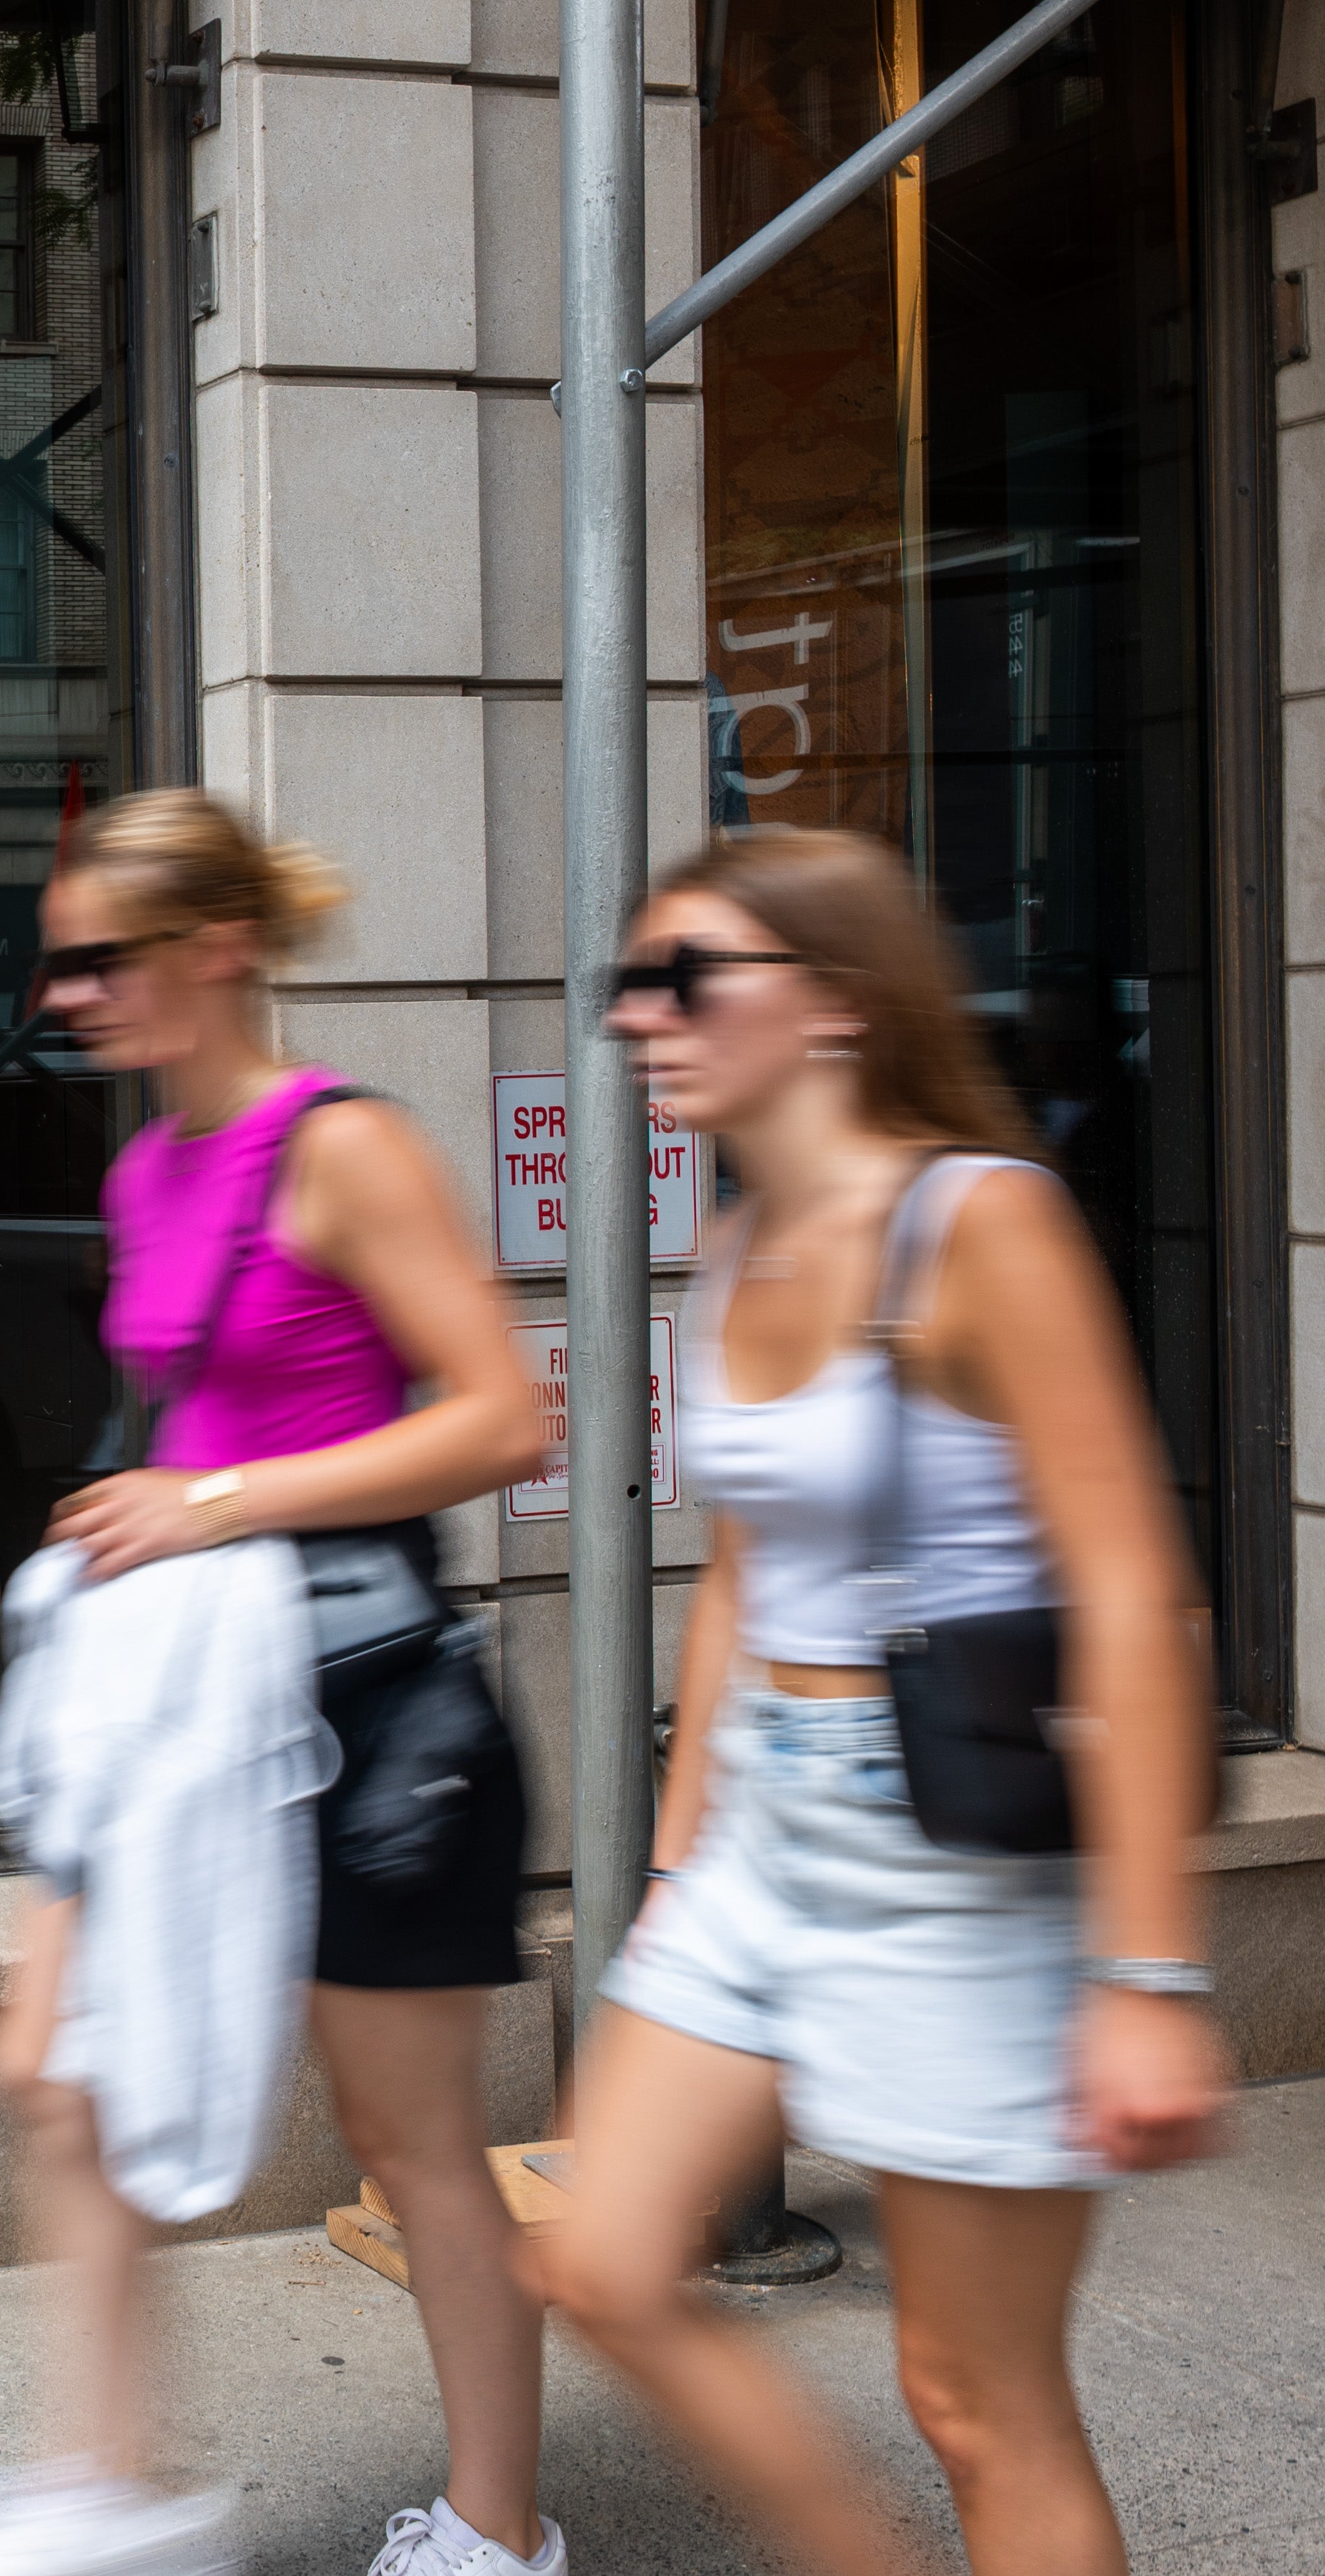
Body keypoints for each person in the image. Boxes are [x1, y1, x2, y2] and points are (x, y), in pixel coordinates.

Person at [0, 791, 556, 2576]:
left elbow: (503, 1416)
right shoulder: (145, 1165)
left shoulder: (340, 1148)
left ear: (218, 951)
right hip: (190, 1706)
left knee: (413, 2151)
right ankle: (109, 2486)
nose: (69, 993)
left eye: (103, 959)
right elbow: (185, 1431)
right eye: (61, 962)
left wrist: (215, 1499)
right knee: (55, 2066)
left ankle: (500, 2533)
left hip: (383, 1710)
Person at [548, 833, 1233, 2576]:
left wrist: (1149, 1976)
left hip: (956, 1847)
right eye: (630, 981)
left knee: (979, 2399)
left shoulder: (975, 1221)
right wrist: (686, 1855)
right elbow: (749, 1574)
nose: (642, 1014)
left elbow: (1140, 1597)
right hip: (771, 1827)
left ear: (836, 1002)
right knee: (605, 2260)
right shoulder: (739, 1236)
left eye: (686, 975)